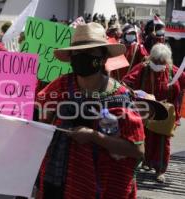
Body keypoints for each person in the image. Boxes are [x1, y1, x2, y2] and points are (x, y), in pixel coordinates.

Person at [36, 23, 145, 199]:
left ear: (103, 58)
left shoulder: (121, 96)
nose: (81, 58)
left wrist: (94, 136)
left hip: (105, 186)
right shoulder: (61, 85)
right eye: (77, 53)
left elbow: (137, 150)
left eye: (89, 53)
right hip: (60, 183)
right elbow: (39, 120)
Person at [122, 43, 185, 183]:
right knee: (143, 139)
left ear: (167, 61)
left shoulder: (173, 72)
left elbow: (182, 85)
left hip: (164, 113)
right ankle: (144, 163)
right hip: (145, 111)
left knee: (162, 142)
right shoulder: (142, 68)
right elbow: (126, 82)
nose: (158, 64)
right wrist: (132, 91)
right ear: (151, 58)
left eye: (161, 62)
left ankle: (160, 171)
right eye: (155, 61)